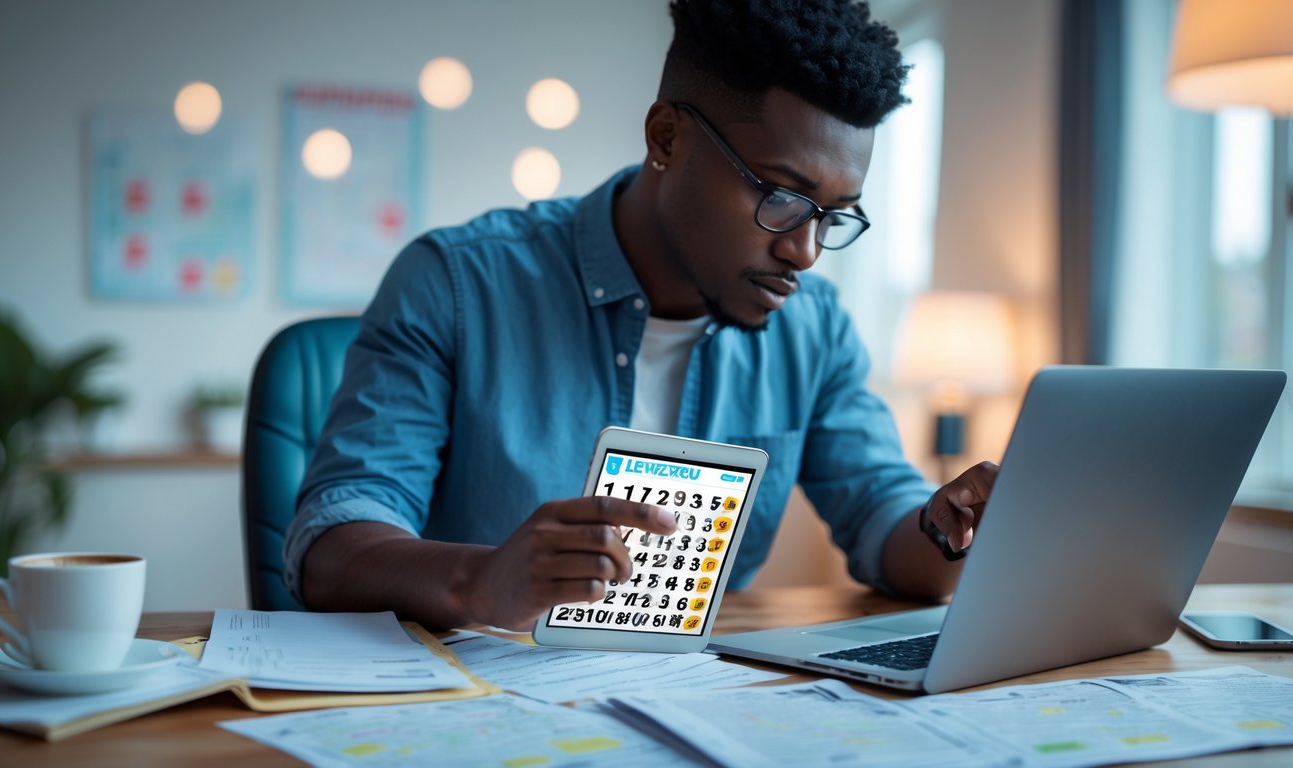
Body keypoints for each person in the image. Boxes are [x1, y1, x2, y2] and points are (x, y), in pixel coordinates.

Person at [284, 0, 998, 631]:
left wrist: (949, 529)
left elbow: (883, 519)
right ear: (666, 138)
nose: (805, 252)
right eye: (780, 197)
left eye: (832, 217)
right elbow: (332, 544)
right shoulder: (456, 283)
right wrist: (481, 581)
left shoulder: (815, 328)